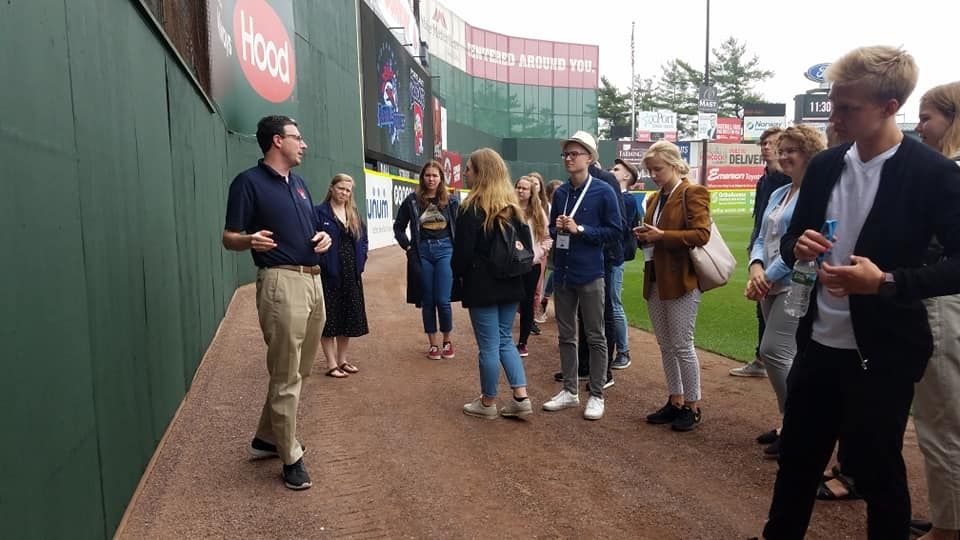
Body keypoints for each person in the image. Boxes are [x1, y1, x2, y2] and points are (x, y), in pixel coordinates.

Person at [761, 46, 960, 539]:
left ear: (891, 107)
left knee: (878, 471)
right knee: (797, 463)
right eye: (833, 103)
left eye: (847, 108)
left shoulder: (933, 174)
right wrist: (798, 243)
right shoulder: (827, 165)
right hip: (818, 341)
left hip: (885, 350)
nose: (834, 116)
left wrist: (887, 281)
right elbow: (795, 237)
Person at [222, 115, 332, 491]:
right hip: (281, 282)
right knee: (286, 373)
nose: (303, 144)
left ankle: (267, 438)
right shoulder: (247, 183)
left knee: (299, 371)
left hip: (314, 281)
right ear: (275, 141)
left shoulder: (298, 184)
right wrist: (249, 239)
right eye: (296, 138)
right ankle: (290, 456)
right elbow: (229, 237)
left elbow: (312, 230)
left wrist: (323, 239)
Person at [744, 125, 826, 458]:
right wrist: (755, 268)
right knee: (785, 356)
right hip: (770, 281)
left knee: (774, 351)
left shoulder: (817, 195)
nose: (783, 155)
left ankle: (798, 425)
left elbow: (806, 247)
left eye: (791, 149)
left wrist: (767, 276)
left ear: (810, 154)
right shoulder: (780, 193)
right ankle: (790, 422)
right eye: (782, 149)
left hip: (796, 283)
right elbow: (762, 238)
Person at [910, 80, 960, 540]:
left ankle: (948, 528)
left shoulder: (950, 173)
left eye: (927, 117)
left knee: (942, 419)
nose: (920, 127)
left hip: (943, 302)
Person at [542, 131, 622, 420]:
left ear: (589, 158)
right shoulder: (561, 193)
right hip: (563, 272)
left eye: (574, 154)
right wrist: (559, 228)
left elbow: (616, 232)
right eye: (566, 154)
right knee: (566, 334)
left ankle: (597, 394)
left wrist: (581, 230)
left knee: (595, 334)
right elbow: (551, 229)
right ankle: (570, 390)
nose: (568, 158)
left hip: (590, 272)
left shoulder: (603, 191)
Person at [635, 140, 711, 432]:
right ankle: (676, 399)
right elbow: (656, 234)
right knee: (666, 345)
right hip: (655, 276)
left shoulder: (692, 192)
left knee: (681, 344)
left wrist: (661, 235)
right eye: (651, 170)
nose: (654, 174)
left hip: (681, 279)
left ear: (675, 164)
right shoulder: (655, 198)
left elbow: (701, 234)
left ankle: (693, 405)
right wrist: (644, 235)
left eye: (659, 169)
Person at [452, 148, 532, 419]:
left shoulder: (471, 208)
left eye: (469, 168)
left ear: (481, 173)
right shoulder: (514, 209)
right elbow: (527, 250)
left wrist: (457, 274)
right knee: (505, 340)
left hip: (482, 285)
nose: (464, 173)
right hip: (510, 283)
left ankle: (487, 403)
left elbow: (461, 254)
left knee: (488, 346)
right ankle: (521, 397)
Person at [731, 127, 791, 378]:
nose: (767, 147)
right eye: (764, 143)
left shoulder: (788, 181)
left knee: (786, 322)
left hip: (788, 260)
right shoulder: (765, 181)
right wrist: (755, 250)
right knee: (761, 303)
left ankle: (771, 358)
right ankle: (761, 359)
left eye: (772, 143)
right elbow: (761, 220)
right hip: (762, 248)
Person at [393, 161, 460, 360]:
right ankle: (433, 345)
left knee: (443, 299)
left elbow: (462, 227)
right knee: (428, 300)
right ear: (422, 177)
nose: (431, 179)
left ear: (441, 178)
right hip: (422, 253)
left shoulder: (452, 201)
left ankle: (447, 341)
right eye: (427, 175)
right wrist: (407, 246)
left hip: (445, 250)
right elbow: (399, 227)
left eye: (435, 175)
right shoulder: (412, 200)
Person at [315, 174, 369, 378]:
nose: (344, 193)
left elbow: (363, 241)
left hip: (351, 275)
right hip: (329, 275)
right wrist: (323, 263)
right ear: (332, 188)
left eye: (347, 190)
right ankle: (330, 364)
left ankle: (342, 360)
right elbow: (312, 241)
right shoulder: (319, 213)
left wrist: (361, 263)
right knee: (329, 320)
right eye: (340, 188)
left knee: (348, 318)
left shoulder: (353, 213)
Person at [609, 158, 643, 370]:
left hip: (616, 257)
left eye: (616, 169)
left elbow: (620, 229)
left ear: (626, 176)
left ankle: (623, 351)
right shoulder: (613, 194)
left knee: (614, 303)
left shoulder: (627, 199)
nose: (612, 171)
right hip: (609, 258)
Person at [514, 176, 552, 357]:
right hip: (511, 263)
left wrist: (536, 255)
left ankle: (523, 342)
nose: (520, 191)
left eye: (524, 188)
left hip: (531, 264)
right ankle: (504, 338)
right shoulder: (509, 210)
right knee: (508, 299)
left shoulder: (537, 213)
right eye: (518, 187)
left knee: (527, 302)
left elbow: (547, 239)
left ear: (531, 193)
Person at [536, 179, 564, 324]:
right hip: (544, 244)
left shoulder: (565, 206)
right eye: (556, 191)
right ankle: (538, 304)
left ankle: (546, 299)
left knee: (555, 271)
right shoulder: (545, 207)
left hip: (559, 244)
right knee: (540, 276)